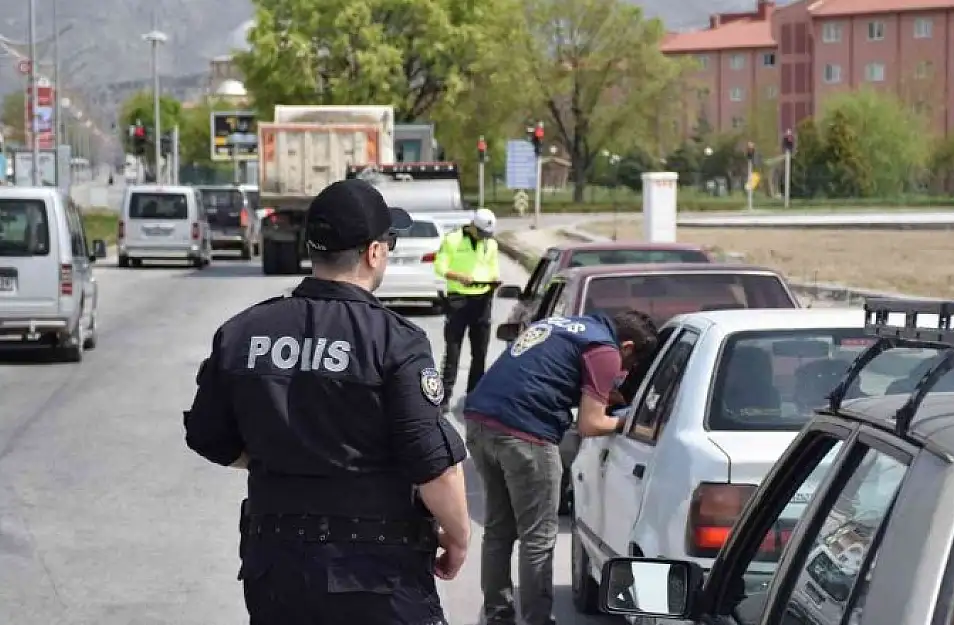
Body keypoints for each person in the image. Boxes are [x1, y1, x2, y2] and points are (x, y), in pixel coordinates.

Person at [183, 178, 470, 625]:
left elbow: (207, 436)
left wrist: (287, 457)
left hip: (277, 571)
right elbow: (432, 464)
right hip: (377, 578)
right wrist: (458, 538)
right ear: (374, 252)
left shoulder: (242, 332)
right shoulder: (396, 342)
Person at [464, 311, 659, 625]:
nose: (625, 371)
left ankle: (498, 615)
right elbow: (591, 423)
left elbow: (546, 374)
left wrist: (604, 393)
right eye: (630, 364)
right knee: (538, 537)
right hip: (526, 435)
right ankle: (537, 619)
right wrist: (629, 421)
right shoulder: (604, 349)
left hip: (479, 423)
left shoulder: (563, 326)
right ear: (627, 347)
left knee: (499, 530)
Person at [433, 208, 501, 412]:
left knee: (480, 352)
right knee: (453, 350)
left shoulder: (491, 244)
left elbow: (493, 267)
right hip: (459, 300)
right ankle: (444, 398)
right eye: (480, 233)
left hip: (483, 298)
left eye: (486, 235)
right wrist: (458, 276)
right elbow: (440, 266)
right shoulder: (453, 240)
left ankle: (474, 395)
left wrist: (495, 280)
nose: (483, 238)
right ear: (472, 226)